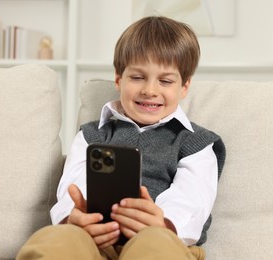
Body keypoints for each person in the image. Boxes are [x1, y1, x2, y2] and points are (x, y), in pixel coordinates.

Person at [17, 15, 225, 260]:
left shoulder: (196, 143)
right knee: (54, 240)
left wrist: (162, 223)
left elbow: (192, 202)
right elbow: (71, 189)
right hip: (93, 241)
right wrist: (76, 218)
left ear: (184, 87)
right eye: (137, 77)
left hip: (161, 241)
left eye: (165, 81)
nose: (149, 90)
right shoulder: (91, 135)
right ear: (118, 79)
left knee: (155, 244)